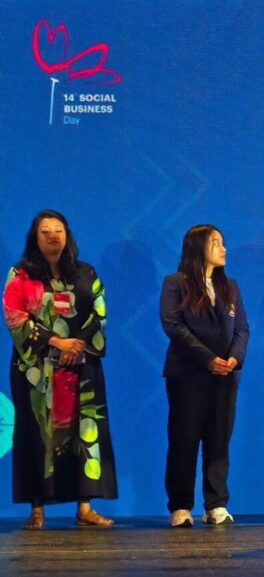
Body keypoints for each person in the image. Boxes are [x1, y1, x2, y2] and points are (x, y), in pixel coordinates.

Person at [3, 210, 118, 530]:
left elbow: (99, 314)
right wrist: (56, 343)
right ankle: (37, 509)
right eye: (45, 232)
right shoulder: (21, 275)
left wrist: (76, 345)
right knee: (36, 434)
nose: (53, 236)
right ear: (34, 238)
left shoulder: (86, 273)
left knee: (86, 434)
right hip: (36, 373)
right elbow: (15, 317)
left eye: (58, 230)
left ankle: (85, 507)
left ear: (67, 235)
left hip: (82, 370)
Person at [160, 224, 249, 528]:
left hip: (225, 376)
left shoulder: (231, 287)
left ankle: (216, 504)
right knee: (184, 440)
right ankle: (181, 506)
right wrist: (208, 359)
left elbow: (242, 330)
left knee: (219, 440)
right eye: (216, 243)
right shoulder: (176, 283)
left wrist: (234, 358)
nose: (224, 249)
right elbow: (174, 327)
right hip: (187, 375)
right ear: (198, 248)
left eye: (223, 243)